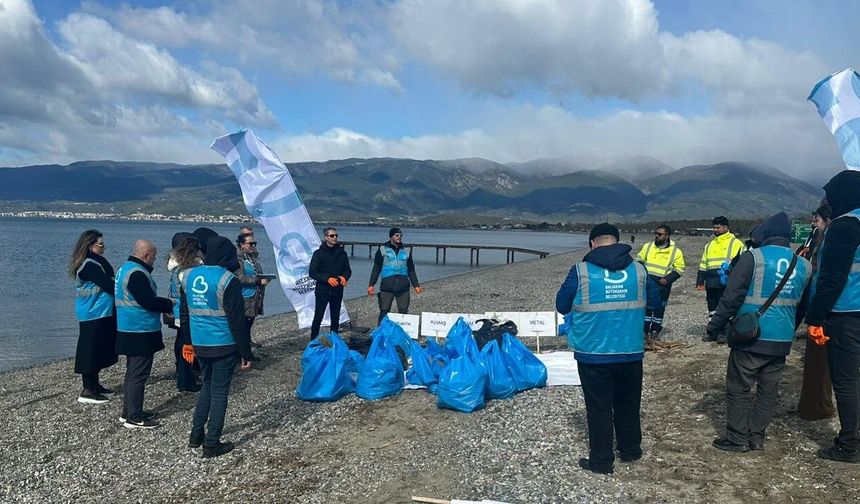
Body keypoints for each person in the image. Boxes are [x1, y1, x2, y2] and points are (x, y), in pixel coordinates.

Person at [556, 223, 661, 475]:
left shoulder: (580, 271)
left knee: (599, 407)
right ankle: (630, 450)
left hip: (593, 353)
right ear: (617, 242)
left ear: (592, 243)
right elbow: (655, 302)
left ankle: (602, 461)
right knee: (628, 401)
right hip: (630, 350)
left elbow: (562, 305)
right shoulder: (639, 270)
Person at [708, 212, 811, 453]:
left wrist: (715, 325)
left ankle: (737, 437)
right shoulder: (804, 265)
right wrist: (790, 329)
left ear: (764, 233)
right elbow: (804, 305)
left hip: (750, 336)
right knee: (768, 390)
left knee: (739, 387)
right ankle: (756, 435)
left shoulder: (753, 257)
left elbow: (731, 297)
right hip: (782, 338)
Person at [180, 237, 255, 458]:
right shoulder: (228, 280)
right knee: (220, 391)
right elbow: (237, 320)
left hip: (200, 342)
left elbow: (184, 314)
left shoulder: (188, 276)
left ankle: (195, 435)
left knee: (207, 386)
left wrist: (187, 342)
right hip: (223, 342)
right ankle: (212, 443)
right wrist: (245, 352)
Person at [805, 169, 860, 463]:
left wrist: (814, 316)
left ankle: (850, 444)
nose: (828, 200)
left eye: (830, 195)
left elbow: (832, 278)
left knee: (847, 381)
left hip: (847, 314)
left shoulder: (845, 225)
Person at [115, 239, 174, 429]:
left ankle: (129, 411)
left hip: (128, 327)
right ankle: (134, 416)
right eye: (154, 257)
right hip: (139, 329)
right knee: (139, 373)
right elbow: (147, 301)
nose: (154, 261)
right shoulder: (137, 273)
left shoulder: (125, 269)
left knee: (133, 372)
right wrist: (168, 304)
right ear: (145, 255)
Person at [69, 230, 118, 404]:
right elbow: (108, 284)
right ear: (90, 246)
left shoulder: (97, 262)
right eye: (101, 244)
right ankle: (88, 389)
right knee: (90, 349)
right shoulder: (89, 265)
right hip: (92, 312)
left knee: (98, 348)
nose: (104, 247)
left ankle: (95, 384)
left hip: (101, 311)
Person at [798, 203, 836, 421]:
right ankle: (816, 405)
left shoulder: (828, 242)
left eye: (817, 220)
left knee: (819, 362)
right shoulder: (817, 241)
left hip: (823, 310)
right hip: (824, 308)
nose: (814, 224)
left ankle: (817, 408)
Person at [697, 216, 745, 343]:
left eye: (718, 227)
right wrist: (700, 280)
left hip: (727, 281)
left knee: (725, 307)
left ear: (726, 228)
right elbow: (703, 263)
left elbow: (742, 263)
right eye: (714, 227)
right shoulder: (709, 245)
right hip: (711, 281)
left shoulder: (736, 243)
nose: (715, 230)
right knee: (712, 308)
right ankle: (713, 332)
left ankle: (724, 333)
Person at [636, 224, 685, 340]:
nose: (657, 236)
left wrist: (668, 279)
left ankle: (655, 330)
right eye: (656, 234)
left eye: (660, 234)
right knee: (646, 308)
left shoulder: (676, 251)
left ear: (667, 236)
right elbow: (639, 260)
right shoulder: (648, 246)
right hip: (647, 282)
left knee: (659, 309)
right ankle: (644, 330)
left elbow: (679, 268)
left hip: (663, 285)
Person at [167, 232, 202, 392]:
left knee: (180, 343)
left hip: (177, 311)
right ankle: (185, 379)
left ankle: (184, 374)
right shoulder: (185, 271)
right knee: (186, 346)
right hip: (185, 313)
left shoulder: (176, 268)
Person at [368, 227, 422, 324]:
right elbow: (376, 268)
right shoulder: (382, 250)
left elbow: (411, 270)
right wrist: (371, 284)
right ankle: (381, 334)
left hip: (403, 287)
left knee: (403, 313)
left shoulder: (406, 251)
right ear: (391, 237)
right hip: (387, 287)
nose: (399, 237)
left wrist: (416, 285)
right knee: (384, 312)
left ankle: (401, 335)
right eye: (397, 235)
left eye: (400, 235)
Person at [308, 227, 351, 338]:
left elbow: (348, 270)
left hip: (337, 289)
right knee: (318, 316)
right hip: (323, 290)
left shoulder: (342, 253)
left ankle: (335, 340)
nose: (335, 237)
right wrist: (327, 279)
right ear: (326, 237)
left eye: (336, 235)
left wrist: (344, 277)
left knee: (335, 317)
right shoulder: (318, 253)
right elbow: (312, 272)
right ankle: (313, 341)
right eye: (332, 236)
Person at [235, 233, 269, 347]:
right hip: (245, 295)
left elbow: (257, 272)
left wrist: (264, 278)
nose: (253, 246)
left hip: (255, 294)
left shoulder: (251, 256)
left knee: (250, 321)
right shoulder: (238, 258)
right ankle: (243, 348)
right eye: (250, 244)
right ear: (242, 244)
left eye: (254, 243)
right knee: (244, 323)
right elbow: (239, 278)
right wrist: (258, 281)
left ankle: (247, 343)